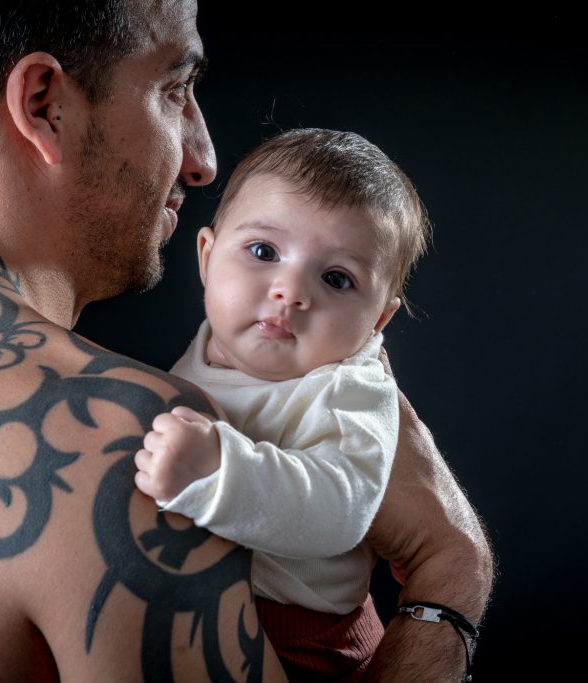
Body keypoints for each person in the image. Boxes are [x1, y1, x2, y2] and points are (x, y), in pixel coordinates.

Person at [0, 1, 493, 681]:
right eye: (176, 88)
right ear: (43, 105)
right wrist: (451, 575)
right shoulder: (115, 438)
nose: (204, 157)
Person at [133, 128, 425, 681]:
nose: (291, 290)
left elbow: (342, 510)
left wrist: (221, 471)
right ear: (207, 256)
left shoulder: (349, 389)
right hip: (206, 603)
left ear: (378, 321)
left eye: (337, 279)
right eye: (264, 251)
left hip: (307, 639)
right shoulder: (205, 353)